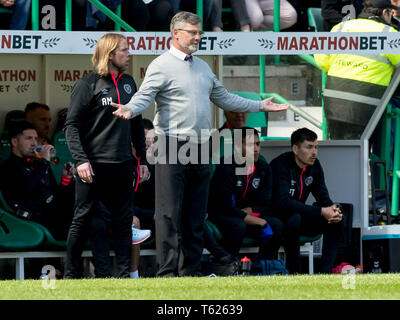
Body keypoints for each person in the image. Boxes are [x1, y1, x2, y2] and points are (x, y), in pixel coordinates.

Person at [111, 11, 290, 277]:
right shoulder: (160, 65)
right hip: (170, 144)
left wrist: (260, 105)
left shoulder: (203, 67)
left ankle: (190, 272)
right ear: (176, 34)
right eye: (193, 33)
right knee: (168, 215)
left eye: (200, 33)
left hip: (201, 146)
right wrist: (130, 109)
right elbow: (144, 96)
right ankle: (168, 273)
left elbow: (226, 98)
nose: (198, 37)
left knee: (196, 215)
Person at [63, 33, 149, 279]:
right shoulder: (87, 84)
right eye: (124, 50)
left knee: (123, 221)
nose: (129, 54)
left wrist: (141, 160)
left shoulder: (129, 82)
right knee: (82, 218)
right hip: (93, 165)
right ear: (111, 54)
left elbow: (136, 124)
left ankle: (122, 276)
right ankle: (71, 274)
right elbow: (71, 126)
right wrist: (80, 160)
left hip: (122, 163)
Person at [314, 0, 400, 140]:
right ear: (385, 13)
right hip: (364, 105)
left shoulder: (341, 27)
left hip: (333, 102)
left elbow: (322, 61)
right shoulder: (389, 33)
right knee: (359, 152)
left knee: (338, 147)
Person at [270, 128, 343, 274]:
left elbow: (322, 196)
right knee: (294, 218)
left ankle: (325, 272)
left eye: (316, 147)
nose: (314, 152)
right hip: (278, 219)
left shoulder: (314, 166)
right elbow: (283, 202)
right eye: (309, 147)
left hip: (299, 216)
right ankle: (294, 272)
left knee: (336, 221)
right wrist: (321, 211)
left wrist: (332, 210)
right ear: (295, 149)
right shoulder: (280, 165)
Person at [208, 127, 284, 260]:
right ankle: (229, 266)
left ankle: (265, 266)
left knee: (276, 224)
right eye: (249, 144)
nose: (255, 149)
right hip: (223, 217)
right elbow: (225, 208)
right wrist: (256, 220)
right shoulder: (225, 168)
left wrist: (250, 214)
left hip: (249, 217)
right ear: (237, 147)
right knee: (238, 225)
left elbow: (265, 203)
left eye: (257, 144)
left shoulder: (263, 168)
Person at [0, 121, 74, 240]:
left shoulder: (38, 165)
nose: (34, 143)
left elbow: (55, 195)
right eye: (29, 138)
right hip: (30, 220)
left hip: (52, 216)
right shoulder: (8, 167)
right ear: (14, 142)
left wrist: (66, 179)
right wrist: (43, 162)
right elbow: (28, 190)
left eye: (36, 138)